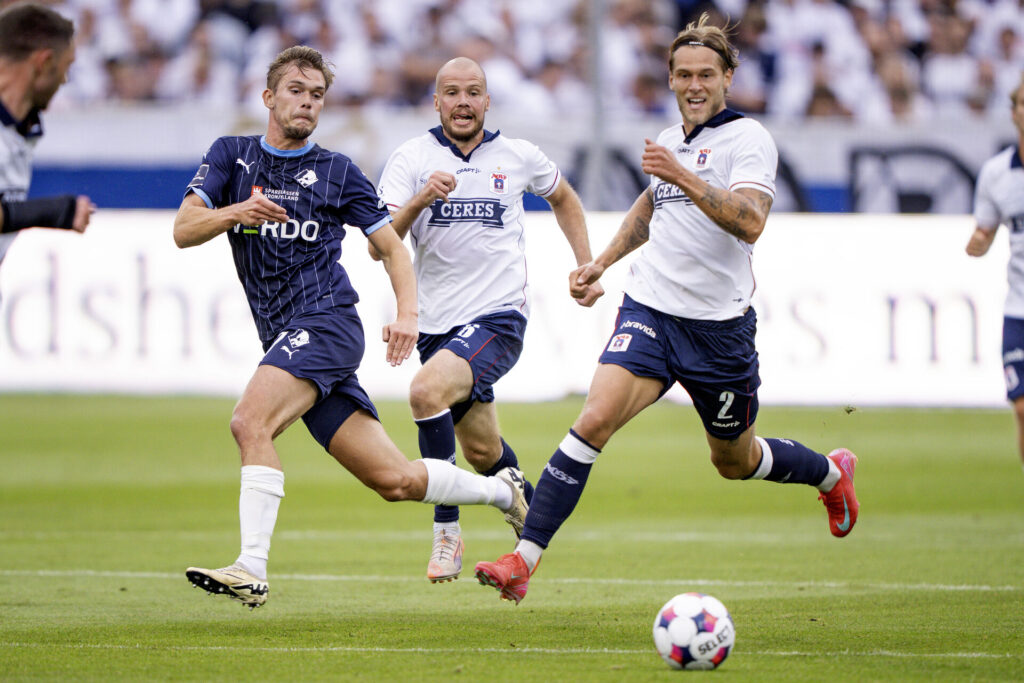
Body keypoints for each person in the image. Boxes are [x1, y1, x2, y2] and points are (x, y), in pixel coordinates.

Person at [475, 14, 860, 605]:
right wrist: (600, 262)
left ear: (728, 77)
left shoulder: (747, 139)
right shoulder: (672, 138)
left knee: (734, 460)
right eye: (683, 74)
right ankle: (523, 560)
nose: (694, 85)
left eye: (707, 73)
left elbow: (751, 221)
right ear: (671, 78)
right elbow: (651, 207)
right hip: (649, 310)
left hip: (719, 333)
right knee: (594, 419)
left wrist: (679, 171)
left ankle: (831, 474)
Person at [174, 46, 528, 609]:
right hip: (290, 338)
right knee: (397, 482)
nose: (307, 104)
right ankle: (502, 490)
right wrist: (235, 213)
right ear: (268, 98)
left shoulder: (338, 172)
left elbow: (391, 248)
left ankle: (250, 566)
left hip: (328, 325)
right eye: (296, 91)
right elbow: (185, 228)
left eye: (317, 95)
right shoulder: (232, 157)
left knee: (250, 422)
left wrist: (407, 314)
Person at [374, 56, 603, 583]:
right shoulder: (411, 158)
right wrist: (421, 198)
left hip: (500, 319)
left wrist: (585, 264)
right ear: (436, 101)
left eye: (472, 92)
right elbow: (378, 241)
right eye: (450, 92)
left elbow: (564, 197)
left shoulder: (518, 156)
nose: (461, 102)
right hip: (437, 326)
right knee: (481, 450)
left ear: (487, 100)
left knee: (425, 391)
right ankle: (514, 493)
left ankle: (446, 533)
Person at [0, 2, 93, 290]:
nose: (64, 80)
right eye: (65, 68)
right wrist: (53, 211)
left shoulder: (22, 127)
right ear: (43, 62)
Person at [966, 74, 1024, 474]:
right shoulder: (997, 173)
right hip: (1018, 309)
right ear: (1013, 112)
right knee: (1022, 407)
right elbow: (985, 230)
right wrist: (979, 242)